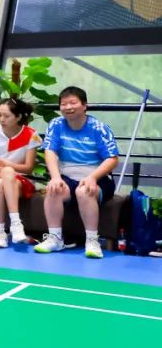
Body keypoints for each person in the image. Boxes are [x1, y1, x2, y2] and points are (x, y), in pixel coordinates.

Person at [36, 86, 120, 259]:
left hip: (97, 177)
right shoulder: (56, 124)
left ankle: (92, 241)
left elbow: (112, 159)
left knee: (84, 191)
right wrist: (56, 177)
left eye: (73, 103)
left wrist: (92, 178)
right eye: (64, 104)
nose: (68, 107)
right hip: (67, 176)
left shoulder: (99, 128)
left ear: (84, 105)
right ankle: (55, 239)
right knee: (53, 189)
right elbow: (50, 151)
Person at [0, 98, 42, 248]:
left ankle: (1, 230)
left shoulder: (31, 135)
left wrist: (7, 165)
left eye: (6, 116)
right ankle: (12, 226)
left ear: (18, 117)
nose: (1, 119)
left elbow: (28, 168)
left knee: (3, 178)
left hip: (20, 179)